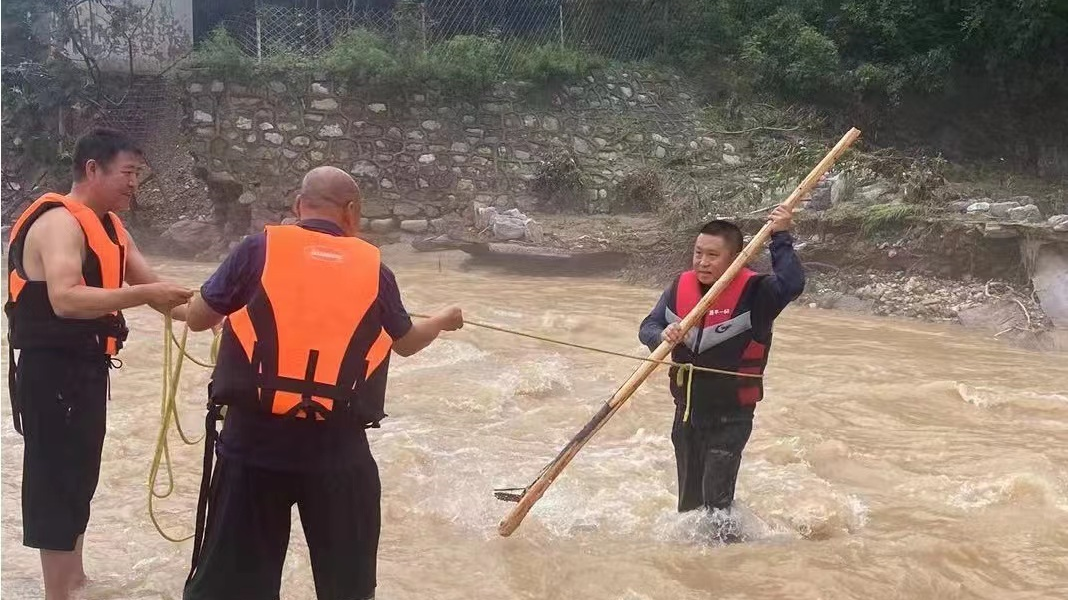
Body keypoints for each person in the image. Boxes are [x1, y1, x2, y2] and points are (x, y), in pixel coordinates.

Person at [181, 166, 463, 600]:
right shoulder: (375, 269)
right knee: (346, 590)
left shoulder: (256, 250)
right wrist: (442, 320)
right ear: (351, 212)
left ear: (298, 206)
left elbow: (200, 318)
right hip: (337, 451)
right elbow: (405, 343)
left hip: (252, 446)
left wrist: (162, 299)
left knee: (233, 590)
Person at [4, 127, 194, 600]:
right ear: (93, 169)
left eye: (138, 174)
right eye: (128, 173)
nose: (135, 183)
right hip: (50, 373)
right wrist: (147, 295)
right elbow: (66, 299)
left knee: (81, 471)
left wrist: (222, 315)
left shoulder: (111, 228)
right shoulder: (58, 223)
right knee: (54, 477)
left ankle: (77, 579)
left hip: (88, 370)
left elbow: (163, 294)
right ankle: (56, 593)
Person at [638, 205, 804, 531]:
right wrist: (662, 334)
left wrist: (780, 235)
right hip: (686, 415)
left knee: (716, 508)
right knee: (689, 509)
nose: (702, 262)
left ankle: (727, 560)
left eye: (713, 255)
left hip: (730, 418)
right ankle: (692, 568)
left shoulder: (758, 293)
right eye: (698, 253)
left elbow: (792, 284)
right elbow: (648, 326)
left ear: (735, 258)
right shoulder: (679, 287)